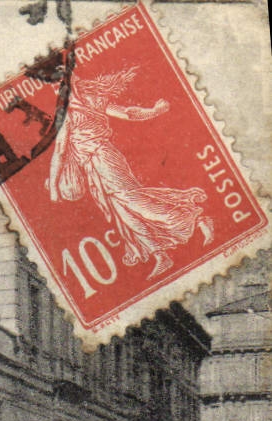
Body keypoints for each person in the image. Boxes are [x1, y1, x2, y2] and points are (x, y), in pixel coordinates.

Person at [46, 66, 211, 279]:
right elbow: (126, 113)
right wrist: (154, 110)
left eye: (57, 84)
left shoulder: (76, 109)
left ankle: (193, 218)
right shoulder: (79, 106)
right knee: (121, 211)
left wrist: (155, 111)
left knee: (132, 201)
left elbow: (60, 150)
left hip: (103, 158)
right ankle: (159, 254)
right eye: (53, 86)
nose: (55, 90)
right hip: (93, 167)